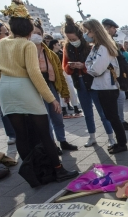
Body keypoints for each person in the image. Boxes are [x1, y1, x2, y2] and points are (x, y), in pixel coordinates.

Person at [0, 0, 77, 182]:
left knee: (20, 135)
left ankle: (33, 173)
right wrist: (51, 99)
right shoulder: (26, 45)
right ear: (28, 30)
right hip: (24, 87)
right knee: (44, 132)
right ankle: (58, 170)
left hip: (6, 89)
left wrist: (5, 74)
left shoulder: (1, 44)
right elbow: (34, 74)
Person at [62, 14, 114, 147]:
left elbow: (97, 65)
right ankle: (92, 137)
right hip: (79, 82)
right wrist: (71, 66)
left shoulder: (90, 45)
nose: (72, 40)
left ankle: (111, 137)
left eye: (74, 38)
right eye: (69, 39)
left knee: (103, 112)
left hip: (92, 82)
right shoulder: (67, 47)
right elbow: (65, 67)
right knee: (87, 113)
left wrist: (83, 66)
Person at [82, 18, 128, 154]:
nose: (86, 34)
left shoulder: (103, 47)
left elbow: (96, 69)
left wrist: (91, 68)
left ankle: (121, 143)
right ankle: (120, 143)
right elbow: (88, 63)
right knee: (110, 116)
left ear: (94, 31)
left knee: (113, 117)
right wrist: (91, 68)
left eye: (87, 31)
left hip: (108, 86)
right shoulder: (97, 47)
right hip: (101, 86)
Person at [31, 19, 78, 153]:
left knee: (57, 116)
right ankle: (52, 146)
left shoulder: (50, 54)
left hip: (51, 85)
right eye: (33, 33)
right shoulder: (27, 51)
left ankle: (62, 141)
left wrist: (65, 93)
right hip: (36, 88)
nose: (37, 36)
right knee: (45, 120)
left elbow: (59, 74)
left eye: (39, 33)